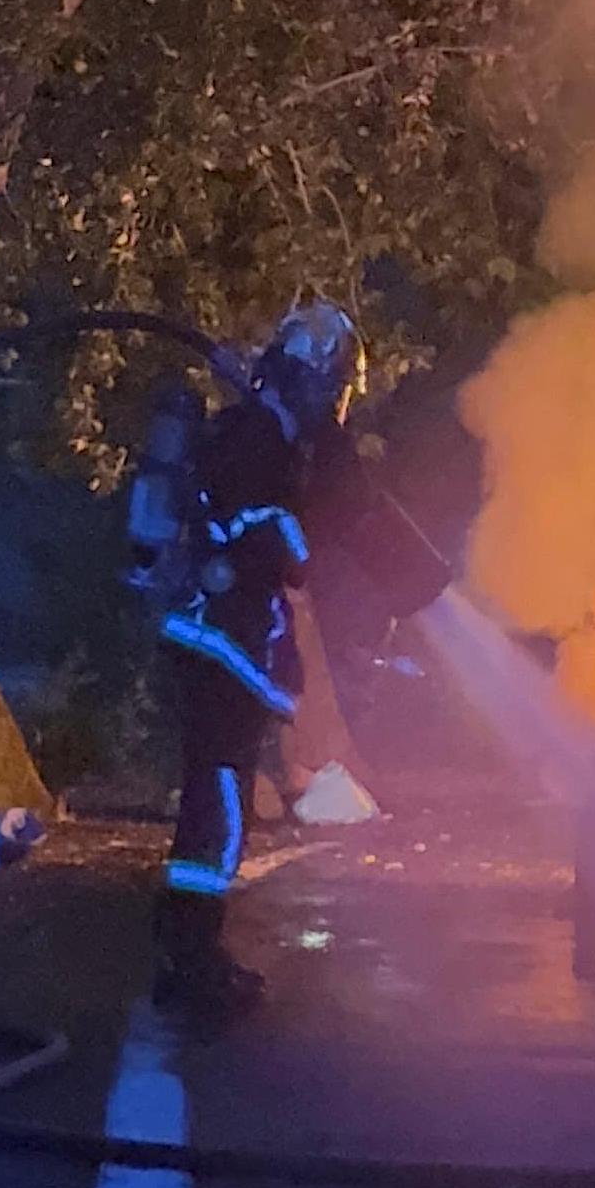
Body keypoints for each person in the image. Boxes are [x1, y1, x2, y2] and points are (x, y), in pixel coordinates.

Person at [149, 299, 368, 1017]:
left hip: (215, 635)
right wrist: (296, 541)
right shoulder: (257, 436)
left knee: (217, 794)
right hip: (219, 638)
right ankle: (191, 958)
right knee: (218, 800)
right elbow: (273, 533)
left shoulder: (260, 429)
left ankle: (190, 949)